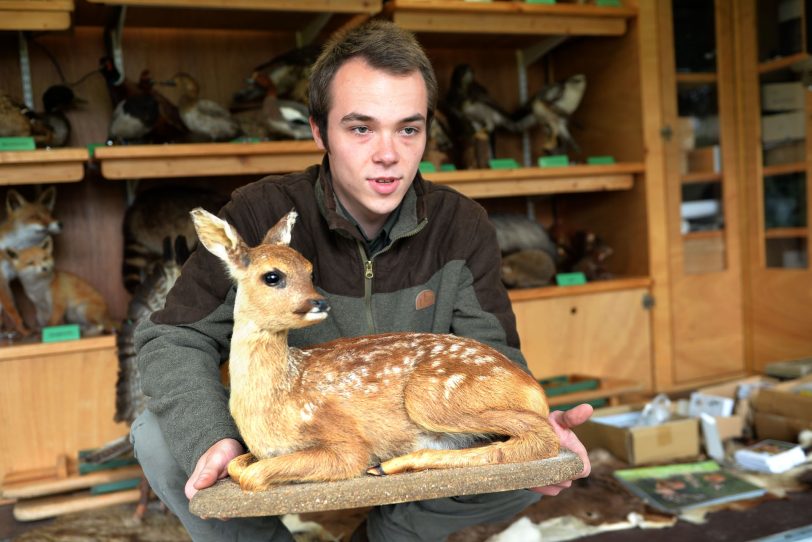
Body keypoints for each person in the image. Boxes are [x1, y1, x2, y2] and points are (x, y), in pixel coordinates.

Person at [132, 19, 593, 542]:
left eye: (408, 128)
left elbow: (491, 354)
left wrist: (536, 436)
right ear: (317, 130)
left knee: (530, 463)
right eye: (360, 128)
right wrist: (211, 438)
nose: (388, 154)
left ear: (427, 131)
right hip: (307, 431)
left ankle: (387, 535)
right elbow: (171, 339)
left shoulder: (460, 225)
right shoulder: (261, 215)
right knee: (159, 437)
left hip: (409, 436)